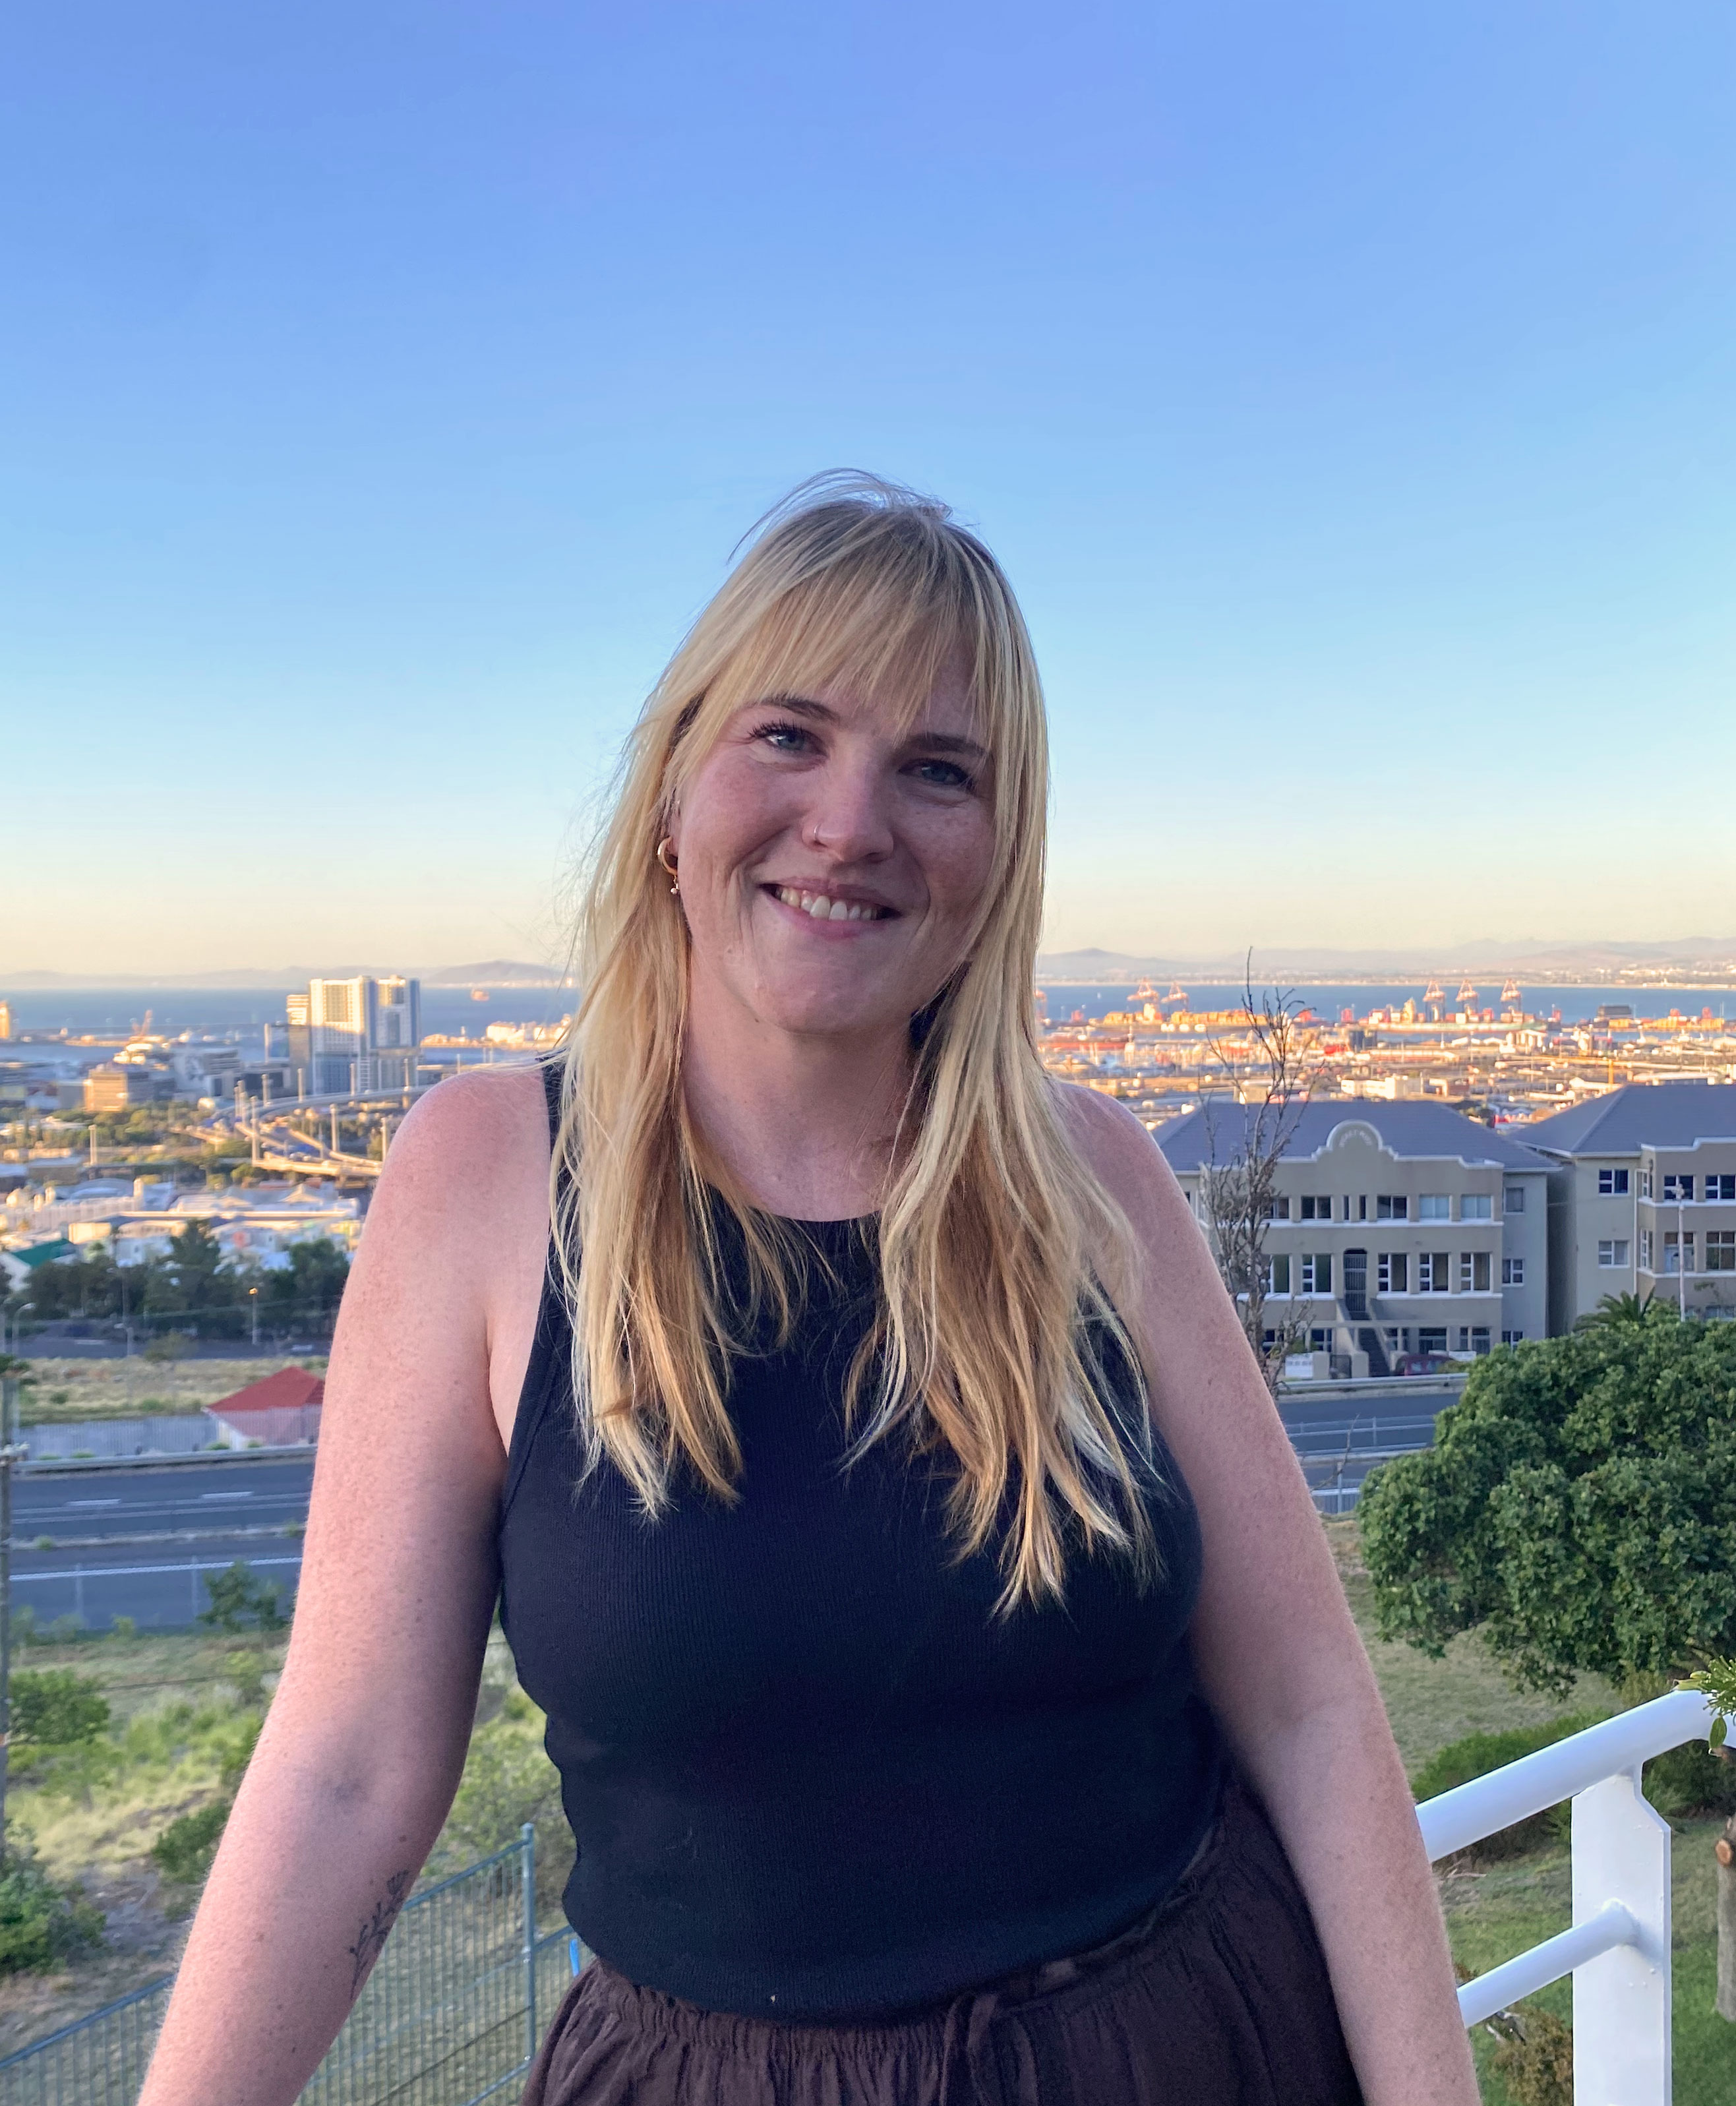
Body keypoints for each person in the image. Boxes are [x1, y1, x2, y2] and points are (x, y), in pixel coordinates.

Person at [139, 476, 1478, 2106]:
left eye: (938, 770)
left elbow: (1314, 1710)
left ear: (998, 857)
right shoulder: (481, 1180)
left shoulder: (1095, 1178)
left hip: (1191, 2045)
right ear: (669, 794)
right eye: (789, 734)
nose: (851, 822)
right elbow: (348, 1777)